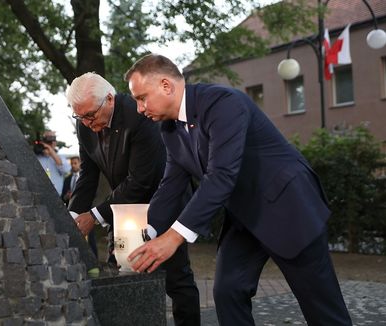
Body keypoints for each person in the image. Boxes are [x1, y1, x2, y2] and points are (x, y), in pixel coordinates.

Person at [125, 54, 352, 326]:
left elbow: (221, 175)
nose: (139, 108)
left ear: (165, 85)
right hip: (245, 218)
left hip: (288, 207)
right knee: (228, 290)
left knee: (323, 309)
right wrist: (144, 234)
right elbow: (170, 186)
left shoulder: (222, 103)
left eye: (141, 98)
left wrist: (174, 237)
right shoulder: (169, 130)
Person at [65, 72, 201, 325]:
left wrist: (94, 216)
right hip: (123, 209)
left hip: (163, 202)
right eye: (79, 117)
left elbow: (142, 180)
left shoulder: (140, 116)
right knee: (121, 271)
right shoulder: (85, 122)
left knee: (176, 278)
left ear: (109, 99)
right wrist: (73, 215)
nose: (85, 123)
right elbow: (88, 173)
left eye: (90, 116)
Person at [34, 130, 70, 195]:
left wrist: (51, 152)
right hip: (38, 193)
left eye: (52, 139)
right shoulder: (36, 157)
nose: (50, 142)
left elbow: (66, 170)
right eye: (47, 140)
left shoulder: (61, 158)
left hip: (55, 195)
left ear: (55, 143)